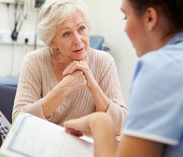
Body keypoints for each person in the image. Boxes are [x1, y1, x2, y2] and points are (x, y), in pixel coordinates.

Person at [64, 0, 183, 156]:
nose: (125, 29)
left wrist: (99, 122)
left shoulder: (163, 68)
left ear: (150, 18)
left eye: (125, 17)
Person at [12, 0, 127, 133]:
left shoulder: (104, 61)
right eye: (67, 34)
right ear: (53, 42)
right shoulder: (34, 61)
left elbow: (120, 126)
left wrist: (93, 85)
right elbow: (19, 123)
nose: (78, 40)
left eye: (82, 29)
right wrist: (64, 88)